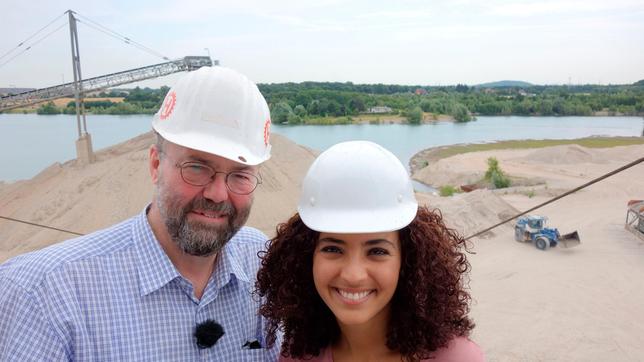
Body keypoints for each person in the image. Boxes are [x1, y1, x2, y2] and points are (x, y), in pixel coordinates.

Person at [0, 66, 280, 361]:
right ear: (156, 165)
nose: (218, 194)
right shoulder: (42, 296)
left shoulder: (260, 263)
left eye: (240, 175)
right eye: (197, 167)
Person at [256, 141, 484, 362]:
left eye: (377, 251)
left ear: (407, 261)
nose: (353, 275)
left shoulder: (457, 358)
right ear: (306, 259)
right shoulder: (299, 356)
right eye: (333, 248)